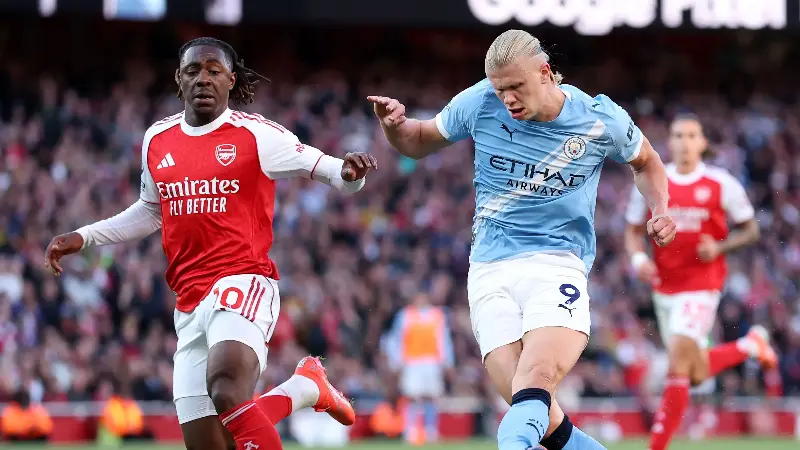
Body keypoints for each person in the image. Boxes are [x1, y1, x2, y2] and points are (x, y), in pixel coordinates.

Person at [44, 37, 376, 450]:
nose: (203, 79)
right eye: (193, 71)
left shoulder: (256, 135)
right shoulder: (157, 140)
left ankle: (304, 387)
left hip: (244, 281)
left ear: (231, 80)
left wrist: (352, 172)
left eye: (214, 71)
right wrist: (84, 236)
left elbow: (334, 172)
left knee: (227, 391)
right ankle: (304, 389)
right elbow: (151, 211)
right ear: (178, 80)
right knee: (213, 442)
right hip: (188, 300)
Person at [368, 29, 676, 450]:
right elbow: (418, 141)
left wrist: (660, 209)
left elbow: (649, 164)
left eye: (516, 86)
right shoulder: (479, 101)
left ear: (545, 73)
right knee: (531, 408)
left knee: (536, 380)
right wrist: (393, 127)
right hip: (489, 271)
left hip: (556, 264)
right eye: (500, 88)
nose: (507, 97)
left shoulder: (598, 116)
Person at [624, 114, 776, 450]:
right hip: (663, 287)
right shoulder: (652, 182)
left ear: (703, 143)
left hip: (703, 286)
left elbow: (751, 230)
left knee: (678, 363)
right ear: (670, 142)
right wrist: (638, 259)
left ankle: (656, 446)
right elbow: (632, 231)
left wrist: (721, 247)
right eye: (678, 135)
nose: (684, 142)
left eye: (692, 135)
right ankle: (750, 346)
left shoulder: (722, 184)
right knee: (692, 371)